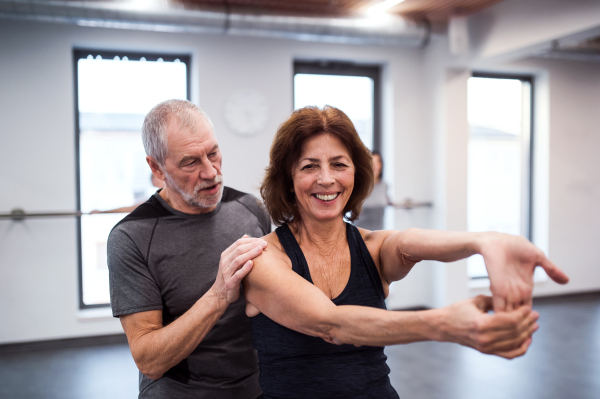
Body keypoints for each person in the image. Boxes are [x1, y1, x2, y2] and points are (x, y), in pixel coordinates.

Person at [243, 105, 569, 399]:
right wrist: (446, 324)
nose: (326, 179)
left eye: (339, 164)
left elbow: (409, 242)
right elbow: (332, 325)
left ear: (356, 174)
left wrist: (487, 241)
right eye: (309, 166)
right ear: (288, 179)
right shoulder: (264, 259)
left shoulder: (373, 248)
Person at [107, 99, 270, 398]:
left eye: (213, 153)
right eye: (190, 162)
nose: (210, 172)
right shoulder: (131, 237)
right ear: (156, 167)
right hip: (180, 391)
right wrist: (219, 295)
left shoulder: (251, 209)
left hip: (257, 386)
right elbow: (149, 360)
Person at [91, 173, 165, 214]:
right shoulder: (158, 199)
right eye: (157, 186)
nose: (159, 187)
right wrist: (102, 212)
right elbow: (132, 208)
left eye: (159, 183)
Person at [353, 150, 391, 230]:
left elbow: (386, 202)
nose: (375, 166)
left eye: (377, 163)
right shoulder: (359, 186)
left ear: (381, 165)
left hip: (378, 233)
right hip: (360, 232)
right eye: (372, 163)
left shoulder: (384, 186)